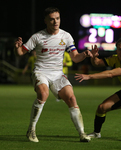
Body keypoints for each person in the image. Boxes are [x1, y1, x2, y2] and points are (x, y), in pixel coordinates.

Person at [14, 7, 93, 143]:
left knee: (71, 98)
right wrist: (17, 48)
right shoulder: (37, 37)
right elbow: (21, 52)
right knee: (43, 94)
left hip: (57, 74)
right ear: (46, 21)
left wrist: (84, 54)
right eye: (52, 19)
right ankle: (31, 130)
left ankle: (82, 133)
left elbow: (75, 57)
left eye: (57, 18)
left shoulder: (66, 36)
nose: (55, 21)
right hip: (41, 72)